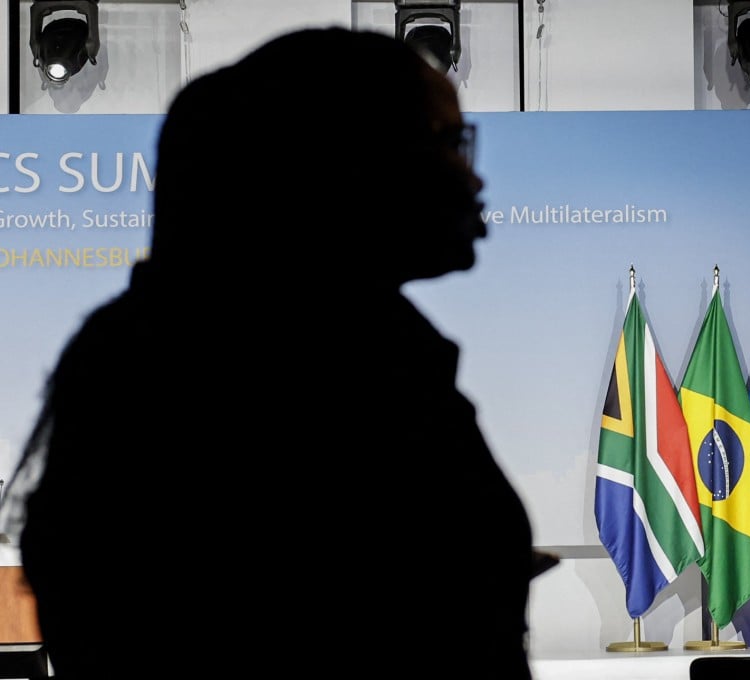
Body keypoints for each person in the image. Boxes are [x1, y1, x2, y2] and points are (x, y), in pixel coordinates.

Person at [0, 26, 540, 678]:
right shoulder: (287, 375)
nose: (472, 178)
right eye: (448, 142)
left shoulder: (361, 355)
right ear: (344, 163)